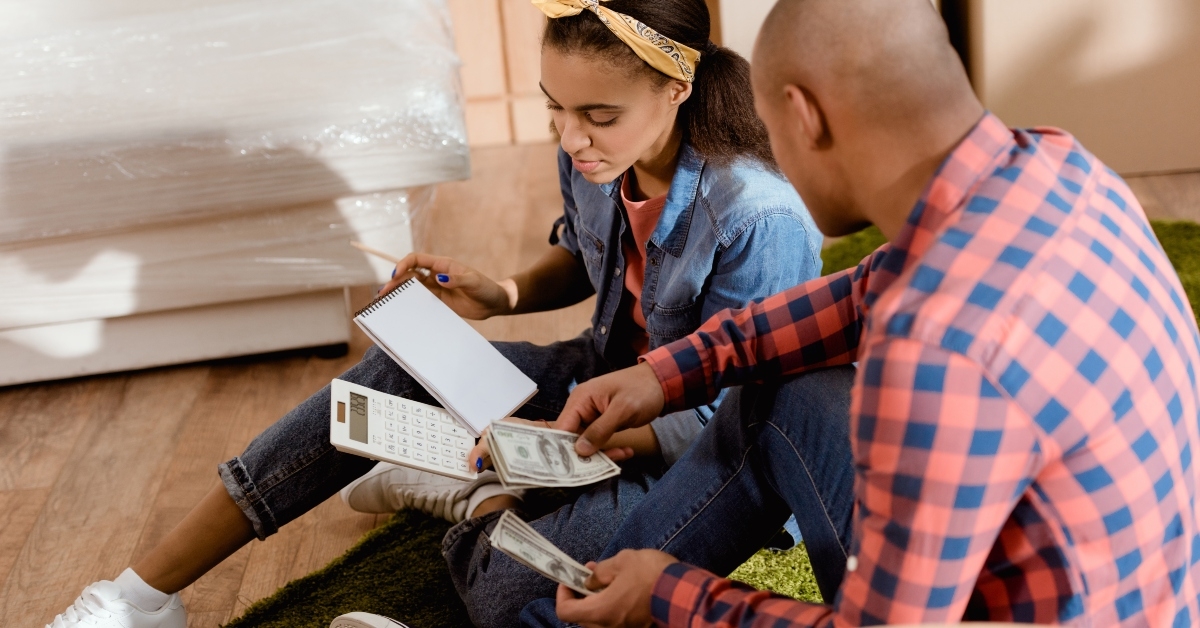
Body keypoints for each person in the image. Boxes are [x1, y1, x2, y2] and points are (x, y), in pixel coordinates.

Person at [42, 0, 825, 626]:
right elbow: (584, 259)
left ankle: (469, 490)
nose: (571, 136)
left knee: (513, 592)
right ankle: (140, 595)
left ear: (676, 88)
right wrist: (504, 295)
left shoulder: (758, 216)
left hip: (698, 454)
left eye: (598, 115)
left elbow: (739, 416)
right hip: (597, 385)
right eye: (555, 107)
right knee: (396, 370)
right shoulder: (590, 150)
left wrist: (559, 446)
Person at [512, 0, 1200, 626]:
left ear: (804, 116)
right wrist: (664, 375)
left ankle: (574, 609)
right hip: (1141, 595)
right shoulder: (1058, 164)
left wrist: (671, 595)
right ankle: (584, 597)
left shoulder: (933, 346)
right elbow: (860, 291)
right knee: (783, 385)